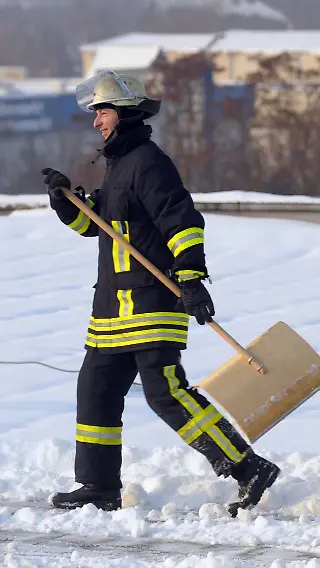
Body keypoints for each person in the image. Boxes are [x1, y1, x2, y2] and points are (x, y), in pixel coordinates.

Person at [41, 70, 279, 515]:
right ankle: (97, 485)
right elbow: (99, 228)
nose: (97, 122)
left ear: (126, 114)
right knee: (95, 389)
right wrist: (67, 202)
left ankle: (247, 468)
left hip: (150, 300)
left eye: (103, 112)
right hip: (113, 307)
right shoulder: (118, 165)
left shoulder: (148, 162)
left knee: (165, 392)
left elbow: (182, 221)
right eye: (95, 113)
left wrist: (190, 278)